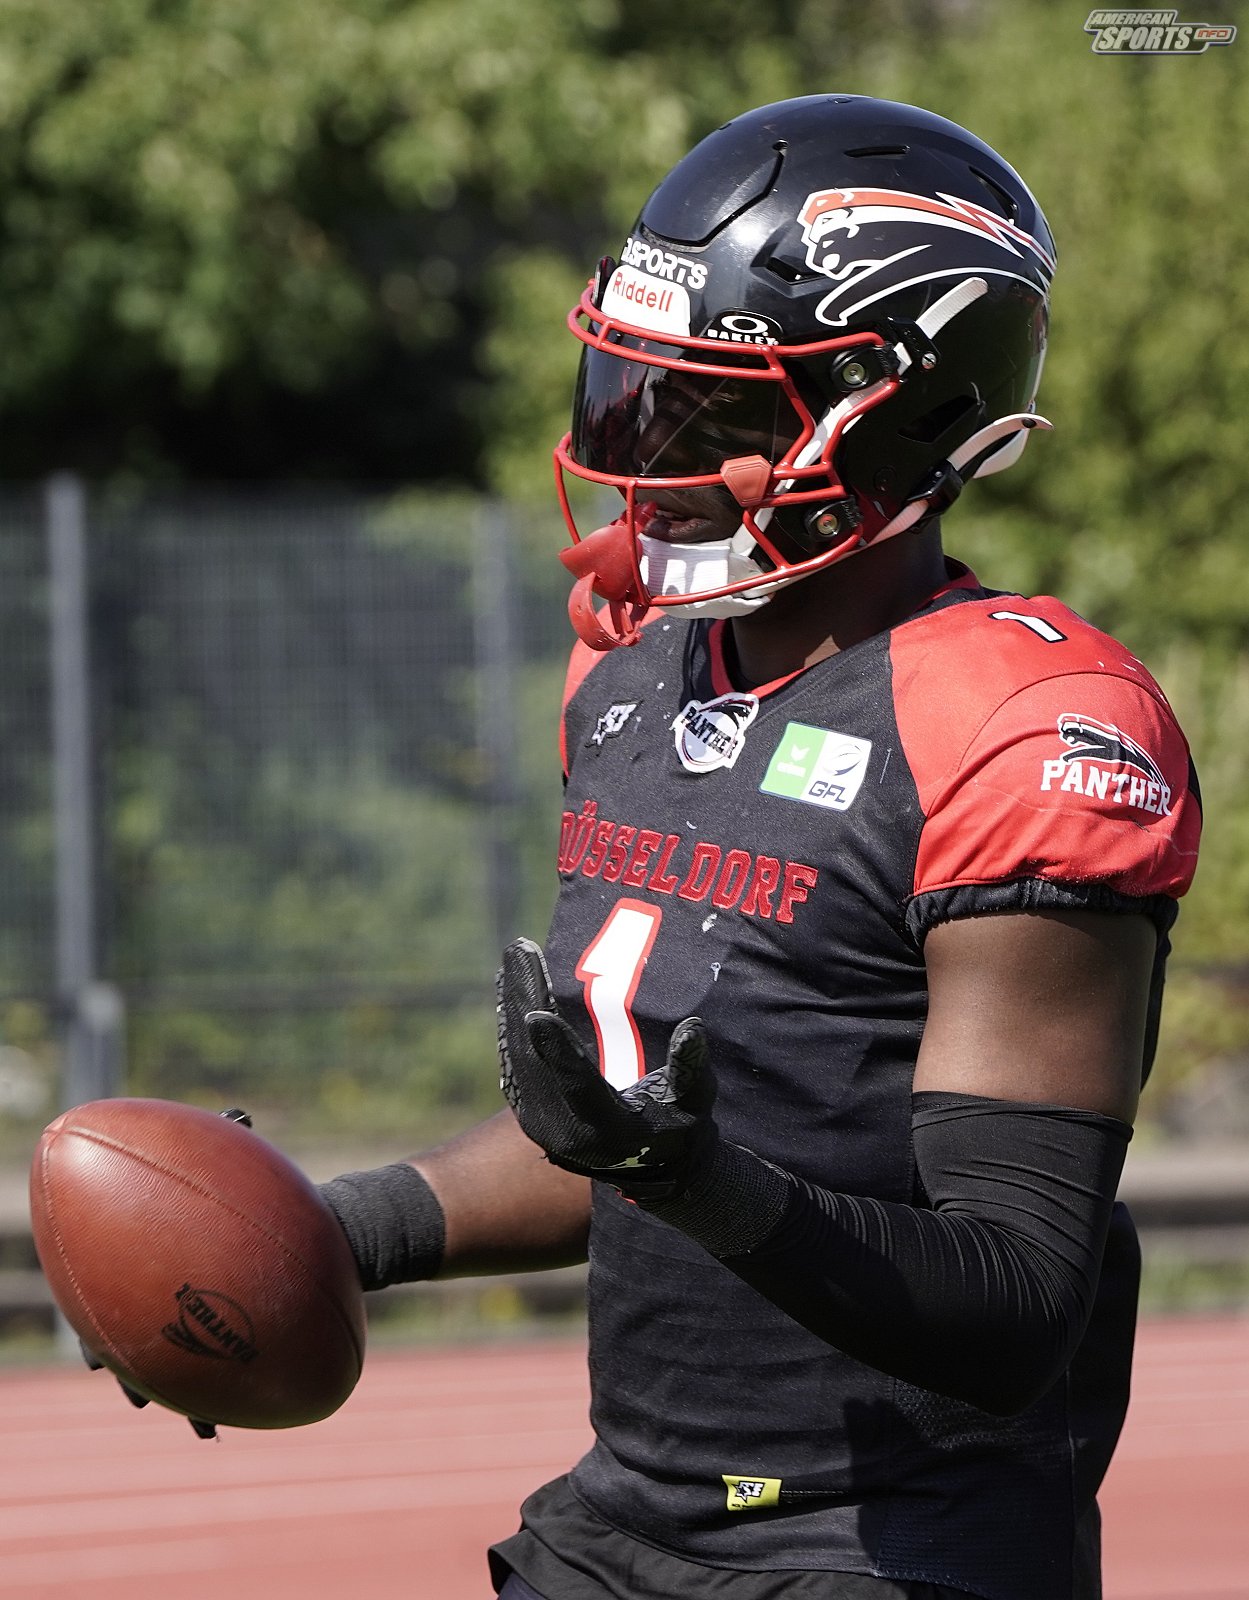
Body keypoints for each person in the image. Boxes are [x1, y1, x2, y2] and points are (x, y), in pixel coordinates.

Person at [321, 94, 1202, 1600]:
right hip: (629, 1523)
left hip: (894, 1547)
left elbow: (1014, 1298)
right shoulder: (629, 672)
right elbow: (624, 1131)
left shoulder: (1020, 728)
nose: (647, 456)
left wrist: (687, 1177)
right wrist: (339, 1228)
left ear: (898, 416)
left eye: (716, 415)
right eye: (636, 391)